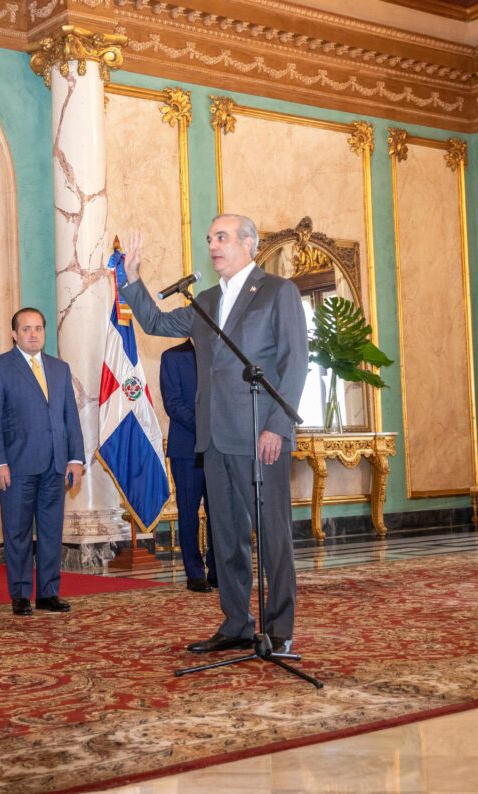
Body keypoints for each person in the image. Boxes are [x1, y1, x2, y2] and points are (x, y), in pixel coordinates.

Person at [121, 215, 308, 654]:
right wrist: (132, 279)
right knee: (226, 537)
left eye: (221, 237)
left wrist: (277, 426)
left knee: (273, 536)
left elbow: (295, 363)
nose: (213, 246)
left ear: (248, 243)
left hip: (261, 435)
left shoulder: (277, 291)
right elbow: (156, 323)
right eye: (209, 239)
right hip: (214, 438)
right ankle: (237, 623)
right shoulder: (205, 300)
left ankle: (280, 629)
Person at [0, 308, 85, 617]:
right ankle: (21, 594)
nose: (33, 334)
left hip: (55, 465)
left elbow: (70, 418)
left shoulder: (60, 369)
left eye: (38, 328)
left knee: (51, 531)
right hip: (16, 466)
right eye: (26, 329)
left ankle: (49, 593)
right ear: (14, 334)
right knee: (18, 532)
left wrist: (75, 458)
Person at [160, 339, 217, 592]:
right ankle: (194, 573)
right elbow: (173, 404)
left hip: (219, 448)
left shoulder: (221, 352)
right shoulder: (171, 356)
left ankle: (217, 570)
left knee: (219, 513)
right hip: (187, 448)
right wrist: (205, 426)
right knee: (188, 512)